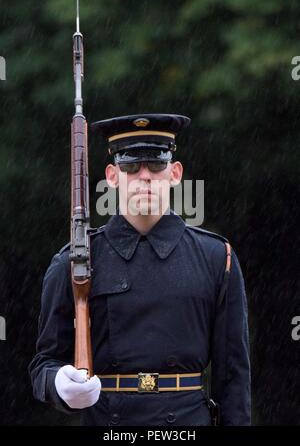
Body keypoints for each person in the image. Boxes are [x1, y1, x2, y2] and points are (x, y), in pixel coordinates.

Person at [28, 113, 251, 426]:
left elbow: (233, 378)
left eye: (156, 165)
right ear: (112, 175)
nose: (144, 176)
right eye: (131, 166)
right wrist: (58, 383)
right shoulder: (76, 260)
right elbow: (44, 364)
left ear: (175, 173)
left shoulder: (216, 257)